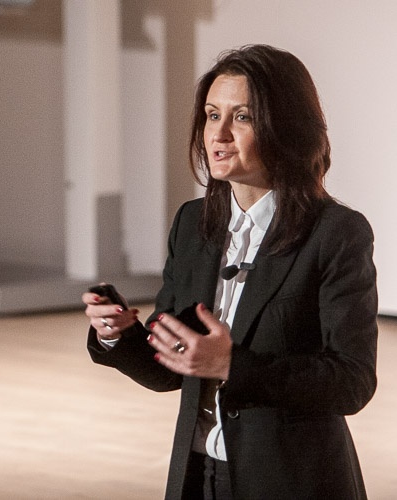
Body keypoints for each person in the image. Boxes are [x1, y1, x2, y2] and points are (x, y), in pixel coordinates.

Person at [83, 44, 378, 500]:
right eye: (211, 115)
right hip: (197, 476)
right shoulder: (192, 224)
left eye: (242, 117)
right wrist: (118, 335)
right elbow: (168, 371)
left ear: (286, 128)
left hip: (291, 482)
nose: (218, 134)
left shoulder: (336, 233)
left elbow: (351, 381)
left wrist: (231, 365)